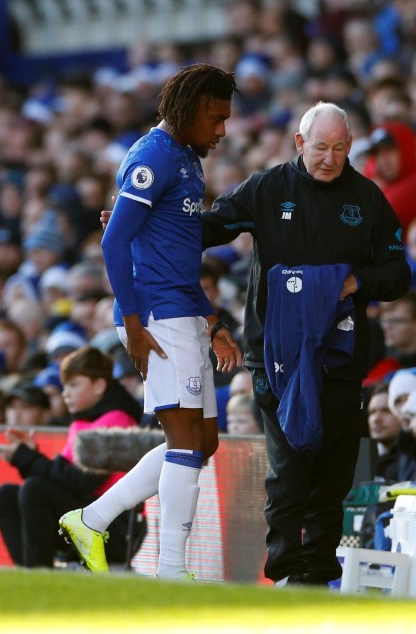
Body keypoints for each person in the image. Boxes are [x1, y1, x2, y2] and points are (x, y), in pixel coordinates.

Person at [202, 102, 410, 586]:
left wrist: (352, 284)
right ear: (300, 143)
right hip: (273, 356)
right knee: (289, 472)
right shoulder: (268, 187)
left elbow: (399, 274)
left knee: (332, 477)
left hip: (339, 357)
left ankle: (316, 576)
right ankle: (284, 575)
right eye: (321, 147)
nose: (330, 158)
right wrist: (146, 221)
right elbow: (211, 227)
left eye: (340, 149)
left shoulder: (367, 197)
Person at [58, 64, 242, 579]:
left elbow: (175, 254)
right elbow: (114, 241)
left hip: (182, 310)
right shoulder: (152, 156)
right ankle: (170, 571)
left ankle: (91, 520)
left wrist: (213, 319)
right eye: (215, 117)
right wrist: (135, 323)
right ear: (186, 109)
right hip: (156, 317)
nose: (222, 130)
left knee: (204, 442)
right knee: (185, 443)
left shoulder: (186, 157)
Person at [0, 346, 142, 568]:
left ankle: (39, 575)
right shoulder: (84, 420)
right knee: (5, 496)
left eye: (73, 385)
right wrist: (29, 457)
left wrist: (29, 459)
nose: (65, 394)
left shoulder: (117, 421)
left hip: (116, 528)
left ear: (99, 386)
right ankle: (27, 575)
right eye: (64, 387)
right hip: (90, 519)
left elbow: (83, 481)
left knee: (35, 489)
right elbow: (63, 478)